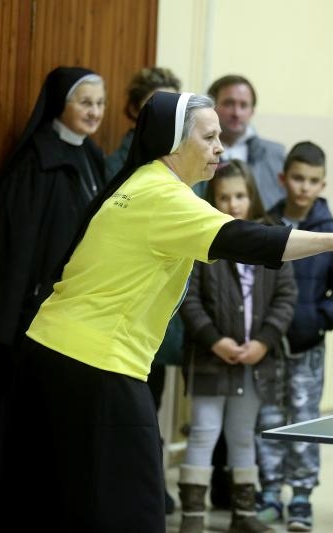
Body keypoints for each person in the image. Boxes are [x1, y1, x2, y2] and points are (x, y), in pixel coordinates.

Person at [0, 92, 333, 533]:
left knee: (61, 501)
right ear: (174, 141)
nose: (220, 147)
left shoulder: (140, 182)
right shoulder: (164, 196)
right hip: (96, 363)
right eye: (209, 137)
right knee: (135, 508)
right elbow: (252, 239)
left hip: (50, 349)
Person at [0, 66, 107, 521]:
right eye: (85, 102)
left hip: (76, 316)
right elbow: (13, 249)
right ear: (59, 105)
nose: (94, 112)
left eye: (99, 103)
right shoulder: (36, 161)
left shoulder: (92, 156)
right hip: (31, 318)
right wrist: (7, 321)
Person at [177, 160, 297, 533]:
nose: (233, 204)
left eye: (240, 195)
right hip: (211, 359)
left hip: (254, 362)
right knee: (204, 431)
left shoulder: (271, 237)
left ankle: (244, 514)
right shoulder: (202, 236)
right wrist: (214, 340)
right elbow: (188, 298)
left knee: (243, 435)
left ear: (252, 196)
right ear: (212, 199)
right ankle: (192, 518)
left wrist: (263, 341)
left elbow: (286, 296)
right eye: (224, 197)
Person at [256, 141, 333, 532]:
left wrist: (319, 320)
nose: (304, 187)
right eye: (298, 178)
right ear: (283, 178)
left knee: (303, 421)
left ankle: (301, 496)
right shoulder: (264, 227)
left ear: (323, 185)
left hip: (309, 346)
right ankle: (270, 491)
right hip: (266, 346)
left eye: (312, 181)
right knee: (267, 418)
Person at [104, 64, 183, 514]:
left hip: (166, 314)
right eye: (156, 104)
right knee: (126, 411)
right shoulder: (117, 164)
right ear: (135, 110)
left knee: (153, 406)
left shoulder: (187, 167)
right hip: (125, 310)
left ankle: (152, 485)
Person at [206, 74, 286, 210]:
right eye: (228, 104)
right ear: (211, 108)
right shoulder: (195, 153)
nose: (236, 113)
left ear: (252, 111)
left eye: (243, 105)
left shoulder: (276, 154)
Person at [106, 66, 181, 178]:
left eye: (173, 106)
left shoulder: (189, 157)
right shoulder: (114, 164)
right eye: (158, 106)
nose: (166, 114)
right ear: (134, 109)